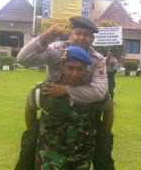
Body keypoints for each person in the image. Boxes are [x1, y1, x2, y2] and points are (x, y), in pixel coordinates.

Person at [17, 16, 114, 169]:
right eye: (78, 33)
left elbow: (100, 92)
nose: (82, 38)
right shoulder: (56, 49)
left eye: (87, 35)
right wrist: (44, 37)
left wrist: (66, 90)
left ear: (92, 38)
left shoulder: (99, 60)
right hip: (53, 105)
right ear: (70, 34)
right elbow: (23, 60)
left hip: (84, 111)